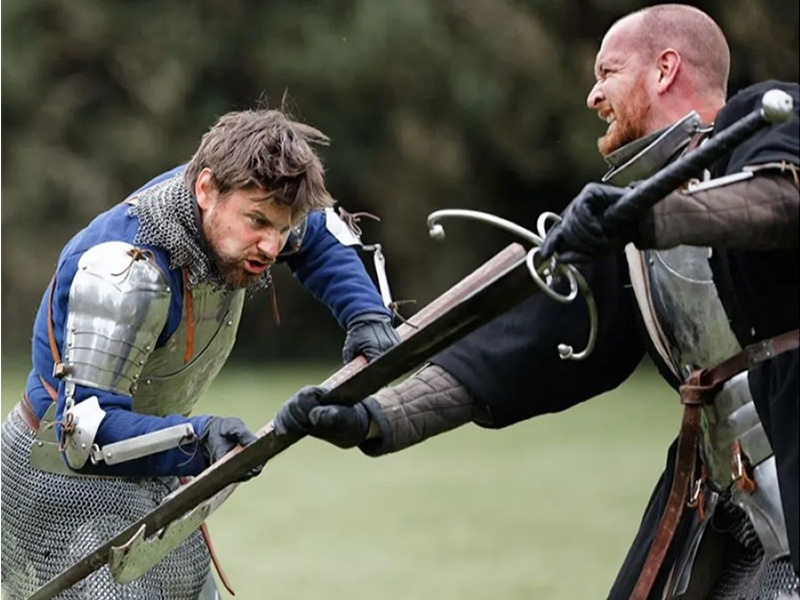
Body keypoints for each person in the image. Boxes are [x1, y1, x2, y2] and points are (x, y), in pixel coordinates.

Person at [274, 5, 799, 599]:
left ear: (665, 69)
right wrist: (376, 416)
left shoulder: (770, 122)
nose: (592, 95)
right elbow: (511, 355)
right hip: (730, 509)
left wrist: (646, 217)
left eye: (608, 72)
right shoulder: (625, 234)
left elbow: (782, 202)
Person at [0, 108, 399, 599]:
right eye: (258, 223)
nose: (272, 245)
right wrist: (195, 436)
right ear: (206, 190)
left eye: (282, 226)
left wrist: (367, 316)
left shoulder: (246, 204)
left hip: (152, 460)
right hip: (58, 480)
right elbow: (81, 431)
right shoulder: (125, 269)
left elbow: (315, 233)